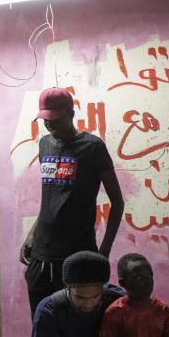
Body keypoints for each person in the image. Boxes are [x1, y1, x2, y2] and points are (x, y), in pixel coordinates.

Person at [21, 87, 125, 318]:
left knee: (78, 329)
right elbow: (51, 197)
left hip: (77, 255)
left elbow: (117, 202)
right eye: (46, 120)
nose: (50, 126)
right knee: (42, 326)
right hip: (41, 255)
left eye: (55, 120)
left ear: (70, 114)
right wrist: (32, 234)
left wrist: (104, 250)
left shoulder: (93, 147)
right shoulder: (45, 144)